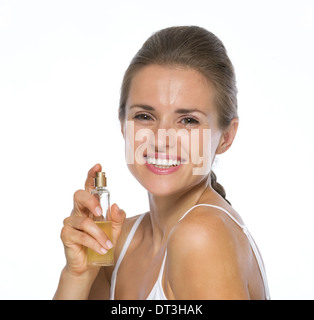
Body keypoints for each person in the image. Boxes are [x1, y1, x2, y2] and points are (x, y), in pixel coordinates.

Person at [54, 26, 270, 300]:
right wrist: (78, 276)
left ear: (226, 137)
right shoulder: (120, 243)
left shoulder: (201, 237)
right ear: (123, 125)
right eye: (145, 116)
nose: (160, 139)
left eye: (188, 120)